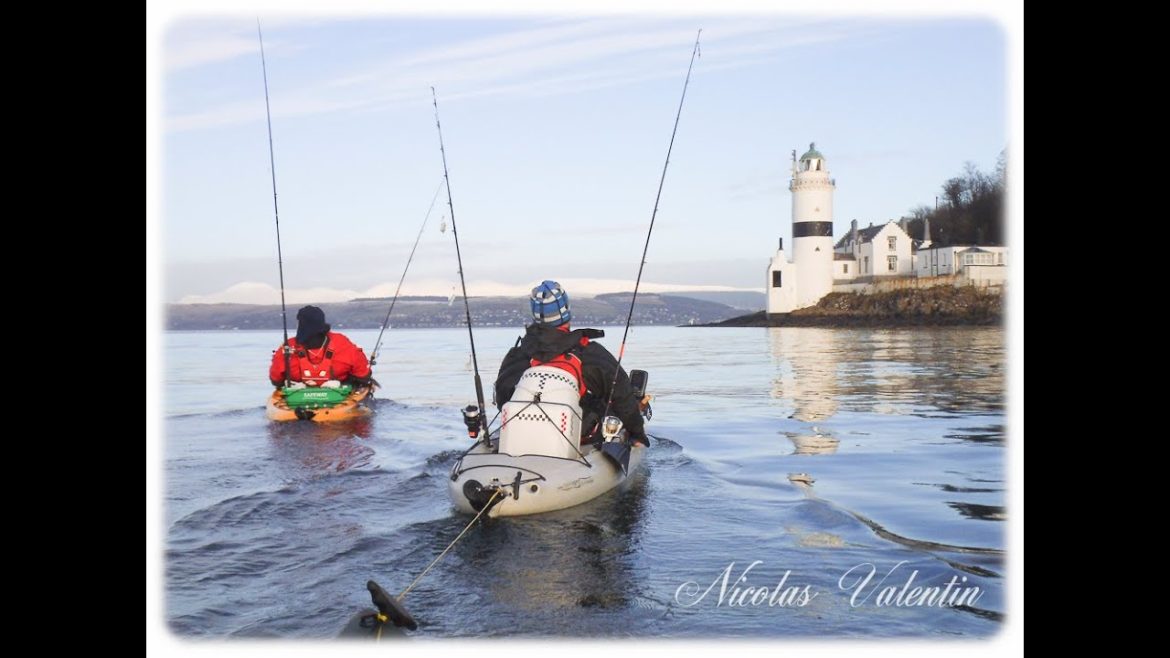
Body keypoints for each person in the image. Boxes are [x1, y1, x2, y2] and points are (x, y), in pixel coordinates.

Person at [493, 280, 648, 446]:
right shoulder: (588, 353)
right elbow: (621, 394)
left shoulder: (518, 355)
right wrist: (637, 433)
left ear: (535, 315)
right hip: (577, 437)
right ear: (566, 311)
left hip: (522, 434)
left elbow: (503, 398)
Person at [269, 305, 374, 389]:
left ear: (300, 325)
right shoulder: (342, 343)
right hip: (339, 399)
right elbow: (363, 375)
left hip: (296, 400)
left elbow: (276, 380)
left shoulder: (287, 347)